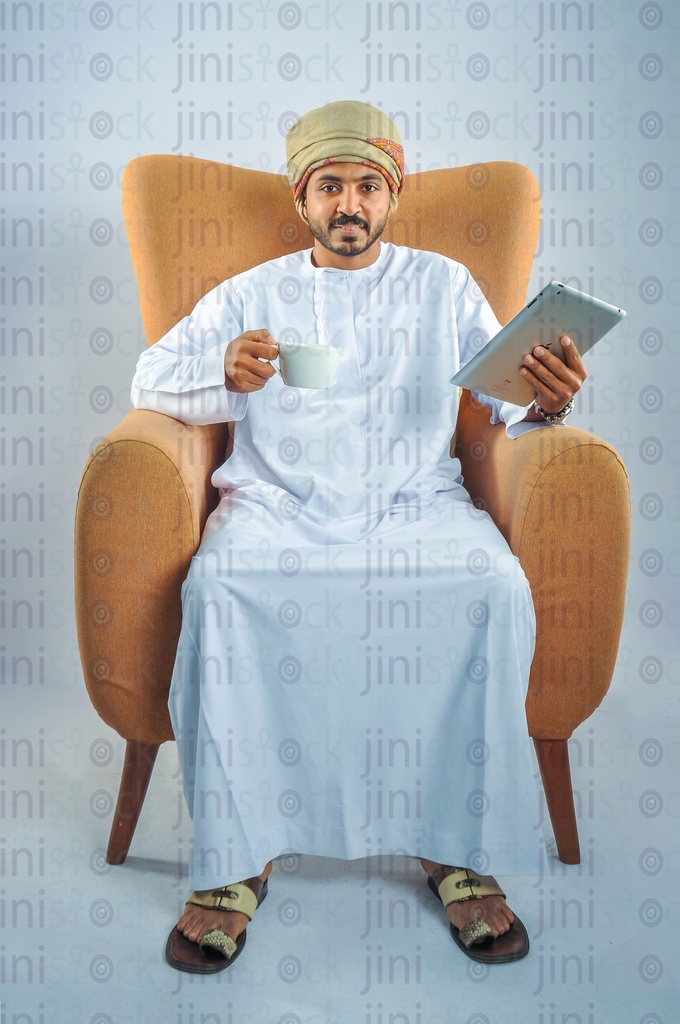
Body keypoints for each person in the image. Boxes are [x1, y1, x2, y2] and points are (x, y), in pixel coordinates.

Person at [130, 100, 587, 974]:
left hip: (414, 505)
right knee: (218, 590)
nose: (351, 203)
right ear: (302, 198)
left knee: (492, 586)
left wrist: (551, 396)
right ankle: (232, 863)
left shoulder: (444, 283)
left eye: (368, 186)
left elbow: (508, 394)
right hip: (278, 508)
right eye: (331, 185)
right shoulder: (253, 290)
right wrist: (219, 370)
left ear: (394, 194)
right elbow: (151, 372)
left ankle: (460, 851)